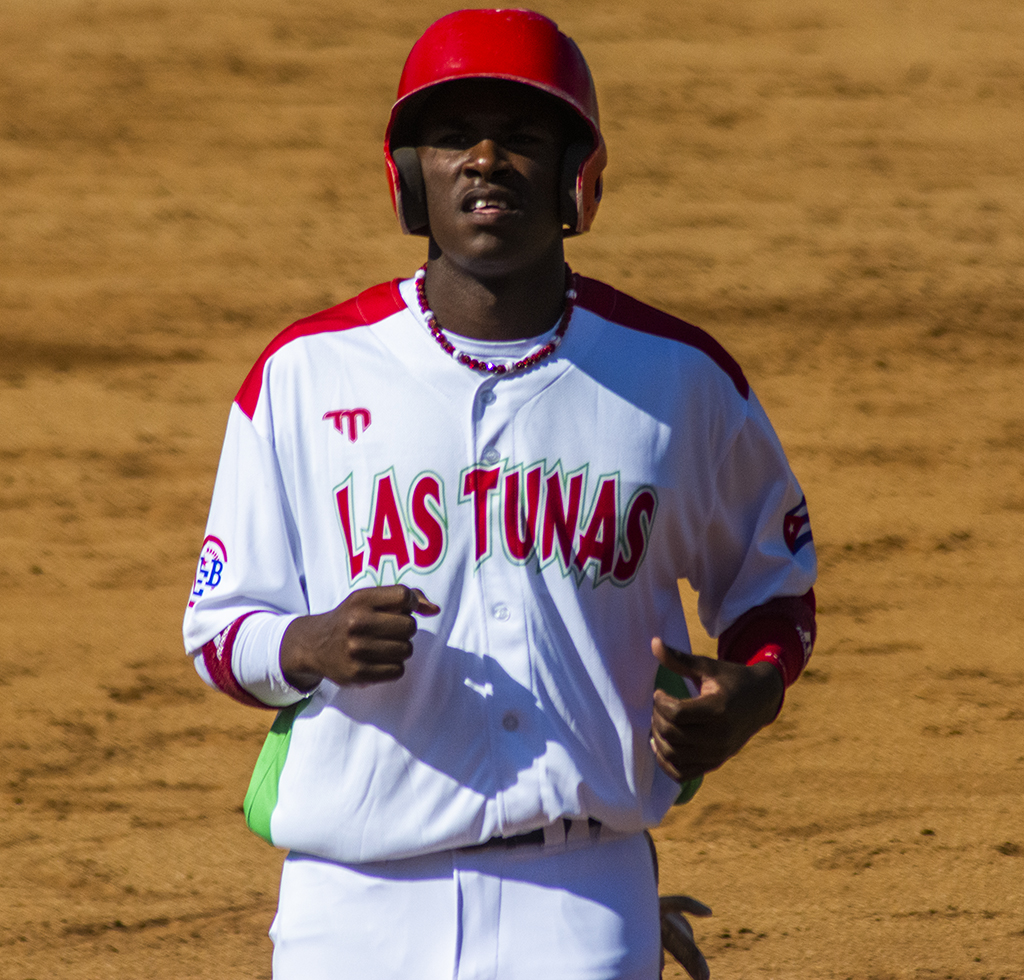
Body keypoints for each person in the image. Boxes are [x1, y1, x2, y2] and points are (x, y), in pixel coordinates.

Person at [183, 10, 817, 980]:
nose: (485, 161)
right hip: (349, 900)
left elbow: (774, 589)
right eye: (453, 138)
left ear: (576, 176)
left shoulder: (677, 378)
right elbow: (218, 629)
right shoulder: (304, 374)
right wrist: (304, 643)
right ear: (407, 177)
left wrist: (754, 688)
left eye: (521, 136)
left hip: (582, 889)